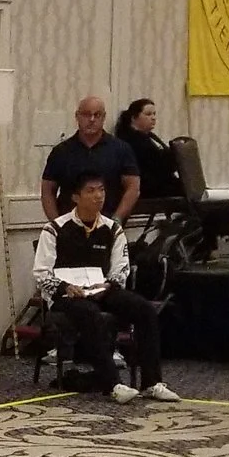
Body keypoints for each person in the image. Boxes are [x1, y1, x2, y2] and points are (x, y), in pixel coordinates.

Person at [33, 173, 178, 403]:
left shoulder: (112, 229)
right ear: (76, 197)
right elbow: (41, 273)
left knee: (144, 309)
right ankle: (112, 383)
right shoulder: (55, 229)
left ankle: (151, 382)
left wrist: (109, 284)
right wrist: (65, 287)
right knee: (91, 314)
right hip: (67, 295)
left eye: (101, 190)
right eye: (90, 191)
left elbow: (122, 267)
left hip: (102, 288)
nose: (98, 196)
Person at [40, 96, 143, 222]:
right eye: (86, 114)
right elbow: (47, 191)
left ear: (104, 117)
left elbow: (133, 188)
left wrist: (117, 220)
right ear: (77, 116)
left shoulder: (121, 149)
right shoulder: (61, 151)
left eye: (97, 115)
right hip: (69, 225)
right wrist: (56, 224)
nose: (92, 119)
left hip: (108, 223)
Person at [115, 99, 185, 209]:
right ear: (134, 118)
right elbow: (156, 165)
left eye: (154, 114)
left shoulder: (149, 136)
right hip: (149, 187)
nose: (153, 118)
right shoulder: (132, 140)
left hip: (161, 181)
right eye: (148, 114)